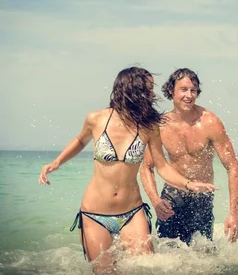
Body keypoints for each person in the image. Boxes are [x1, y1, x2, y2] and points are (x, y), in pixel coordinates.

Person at [38, 67, 217, 274]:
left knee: (145, 269)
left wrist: (188, 184)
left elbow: (162, 166)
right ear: (131, 90)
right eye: (148, 89)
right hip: (95, 214)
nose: (153, 94)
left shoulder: (149, 127)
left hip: (133, 213)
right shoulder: (96, 119)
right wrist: (57, 162)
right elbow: (80, 140)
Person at [140, 68, 238, 247]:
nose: (189, 95)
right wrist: (156, 201)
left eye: (193, 90)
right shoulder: (160, 126)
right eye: (184, 89)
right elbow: (147, 167)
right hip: (172, 196)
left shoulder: (210, 122)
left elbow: (232, 165)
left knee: (203, 257)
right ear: (171, 90)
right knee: (168, 255)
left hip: (202, 198)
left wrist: (234, 213)